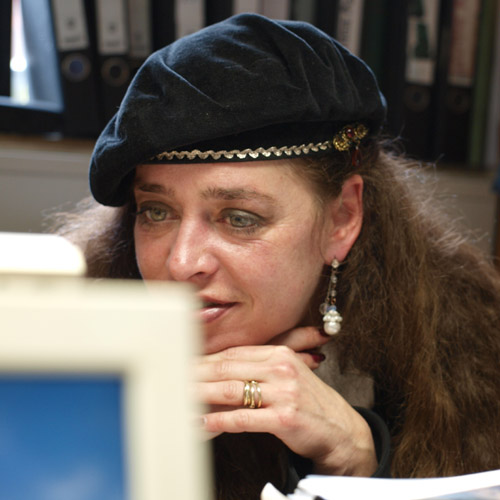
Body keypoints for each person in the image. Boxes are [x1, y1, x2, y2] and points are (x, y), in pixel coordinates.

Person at [51, 13, 500, 499]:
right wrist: (123, 446)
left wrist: (356, 459)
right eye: (156, 212)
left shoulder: (471, 352)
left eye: (239, 218)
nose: (181, 262)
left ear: (342, 219)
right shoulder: (57, 349)